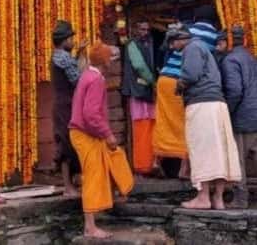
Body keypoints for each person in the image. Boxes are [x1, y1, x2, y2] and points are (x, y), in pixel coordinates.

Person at [70, 42, 135, 239]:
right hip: (86, 133)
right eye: (111, 59)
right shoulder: (96, 79)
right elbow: (91, 115)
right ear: (106, 63)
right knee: (93, 177)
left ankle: (116, 195)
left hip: (85, 133)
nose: (112, 62)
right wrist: (108, 134)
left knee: (107, 165)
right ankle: (90, 227)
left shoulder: (87, 75)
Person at [174, 29, 241, 210]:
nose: (173, 48)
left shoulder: (192, 48)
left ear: (180, 39)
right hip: (217, 105)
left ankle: (203, 197)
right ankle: (218, 199)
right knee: (219, 152)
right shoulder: (204, 48)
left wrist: (179, 84)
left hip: (202, 104)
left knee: (202, 149)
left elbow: (191, 75)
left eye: (173, 44)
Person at [221, 25, 257, 210]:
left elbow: (235, 90)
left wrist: (227, 111)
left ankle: (241, 200)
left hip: (243, 119)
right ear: (244, 40)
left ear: (229, 41)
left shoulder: (230, 61)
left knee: (239, 163)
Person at [50, 20, 87, 197]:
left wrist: (78, 52)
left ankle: (71, 184)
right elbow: (77, 80)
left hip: (62, 104)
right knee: (67, 144)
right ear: (64, 40)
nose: (72, 42)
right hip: (67, 105)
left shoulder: (58, 55)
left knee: (68, 142)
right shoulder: (63, 58)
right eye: (71, 39)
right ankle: (68, 187)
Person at [152, 26, 189, 178]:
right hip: (176, 82)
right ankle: (184, 169)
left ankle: (156, 160)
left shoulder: (172, 50)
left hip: (163, 80)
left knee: (163, 120)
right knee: (183, 123)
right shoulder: (192, 46)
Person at [121, 20, 157, 175]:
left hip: (147, 92)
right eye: (142, 29)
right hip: (139, 92)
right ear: (135, 29)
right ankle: (143, 166)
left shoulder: (149, 43)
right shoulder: (132, 45)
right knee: (142, 129)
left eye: (147, 29)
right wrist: (154, 82)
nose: (145, 32)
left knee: (151, 126)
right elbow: (139, 66)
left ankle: (152, 163)